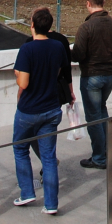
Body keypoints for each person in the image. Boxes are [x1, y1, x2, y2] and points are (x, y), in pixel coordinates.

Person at [12, 8, 69, 215]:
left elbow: (24, 83)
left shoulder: (27, 49)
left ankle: (27, 191)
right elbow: (58, 72)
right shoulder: (57, 47)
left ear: (33, 25)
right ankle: (51, 203)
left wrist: (17, 74)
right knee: (48, 157)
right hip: (51, 108)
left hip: (29, 110)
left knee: (20, 149)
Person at [71, 0, 112, 170]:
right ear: (103, 2)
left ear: (88, 3)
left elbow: (77, 54)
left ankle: (100, 157)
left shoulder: (86, 27)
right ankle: (105, 151)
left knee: (94, 116)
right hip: (110, 74)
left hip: (92, 75)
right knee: (101, 111)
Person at [23, 10, 74, 168]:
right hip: (55, 92)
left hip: (34, 95)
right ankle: (49, 164)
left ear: (33, 23)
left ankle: (48, 163)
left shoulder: (29, 44)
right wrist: (71, 91)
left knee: (30, 135)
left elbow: (24, 76)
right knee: (48, 134)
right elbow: (66, 69)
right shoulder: (60, 41)